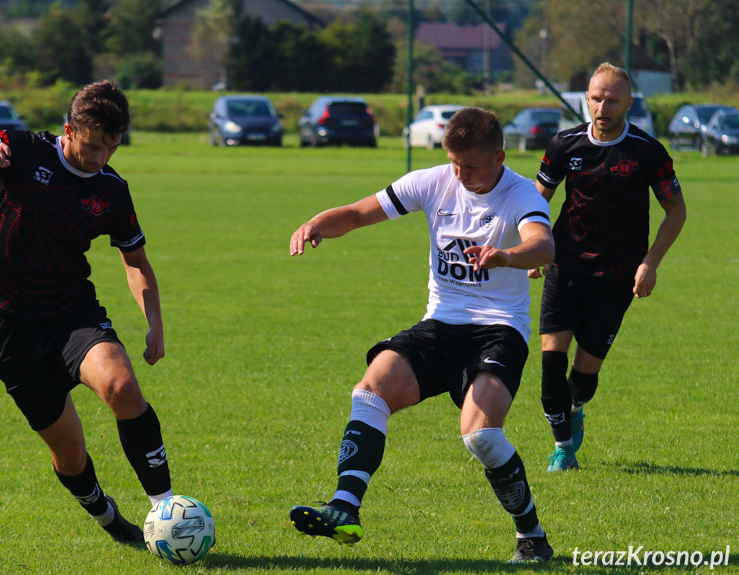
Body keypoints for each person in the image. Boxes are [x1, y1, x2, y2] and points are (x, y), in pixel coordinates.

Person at [288, 107, 556, 563]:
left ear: (499, 157)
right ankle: (344, 508)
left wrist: (507, 256)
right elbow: (356, 213)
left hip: (498, 330)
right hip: (438, 326)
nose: (460, 174)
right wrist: (317, 224)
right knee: (371, 388)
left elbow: (543, 245)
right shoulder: (433, 181)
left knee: (481, 437)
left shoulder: (521, 194)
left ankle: (531, 536)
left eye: (470, 166)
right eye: (454, 163)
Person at [0, 80, 173, 542]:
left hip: (71, 312)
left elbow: (135, 262)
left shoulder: (112, 190)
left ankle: (168, 508)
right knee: (70, 452)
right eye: (93, 146)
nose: (101, 158)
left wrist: (154, 321)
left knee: (121, 385)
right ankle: (104, 514)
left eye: (112, 148)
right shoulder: (22, 149)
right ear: (68, 130)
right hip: (11, 324)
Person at [531, 63, 687, 472]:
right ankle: (563, 450)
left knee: (583, 377)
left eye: (612, 99)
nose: (603, 106)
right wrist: (534, 246)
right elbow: (534, 201)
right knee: (551, 364)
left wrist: (650, 263)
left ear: (628, 103)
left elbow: (676, 210)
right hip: (565, 267)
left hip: (617, 277)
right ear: (587, 99)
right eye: (597, 98)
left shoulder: (647, 152)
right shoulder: (564, 145)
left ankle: (577, 407)